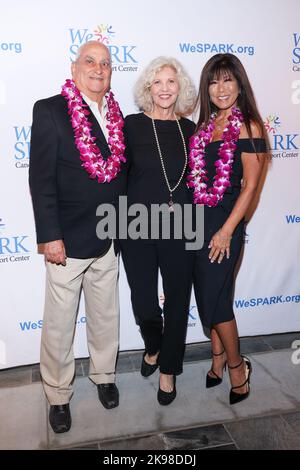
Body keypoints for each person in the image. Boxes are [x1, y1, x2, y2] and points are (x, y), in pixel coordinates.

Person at [29, 40, 127, 433]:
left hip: (108, 236)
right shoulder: (50, 110)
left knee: (106, 316)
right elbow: (41, 180)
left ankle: (104, 377)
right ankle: (57, 394)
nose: (98, 68)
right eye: (90, 61)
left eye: (105, 63)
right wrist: (50, 236)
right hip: (65, 242)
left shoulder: (119, 114)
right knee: (58, 324)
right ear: (74, 68)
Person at [188, 53, 268, 404]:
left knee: (213, 302)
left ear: (239, 84)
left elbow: (250, 187)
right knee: (215, 297)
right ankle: (216, 359)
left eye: (227, 80)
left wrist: (226, 231)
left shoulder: (248, 125)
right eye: (213, 81)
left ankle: (237, 367)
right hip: (197, 223)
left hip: (226, 224)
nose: (220, 89)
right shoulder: (205, 127)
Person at [120, 57, 197, 405]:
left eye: (171, 81)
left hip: (180, 227)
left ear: (180, 87)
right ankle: (153, 345)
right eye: (158, 82)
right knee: (146, 304)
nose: (165, 88)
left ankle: (169, 369)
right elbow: (117, 178)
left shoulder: (190, 130)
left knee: (178, 300)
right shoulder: (132, 125)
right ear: (148, 88)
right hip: (136, 225)